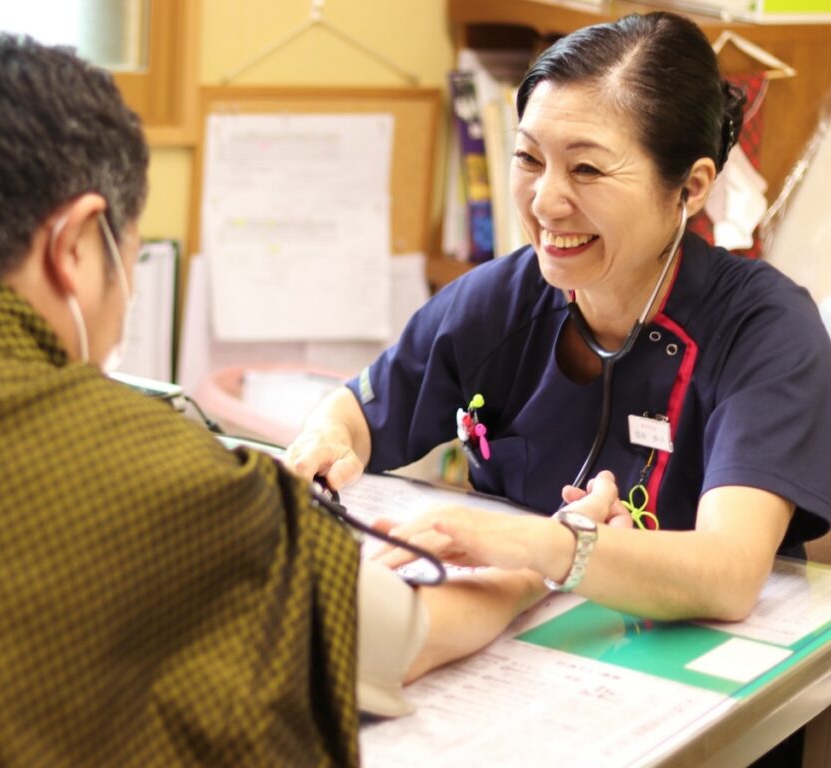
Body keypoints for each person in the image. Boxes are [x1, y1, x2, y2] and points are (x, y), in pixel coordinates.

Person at [0, 33, 589, 768]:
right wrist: (535, 564)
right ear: (78, 243)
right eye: (130, 249)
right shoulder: (163, 475)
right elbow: (396, 634)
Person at [289, 12, 831, 627]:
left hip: (705, 678)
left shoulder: (766, 330)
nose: (545, 201)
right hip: (516, 646)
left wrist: (541, 545)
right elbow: (357, 411)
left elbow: (728, 576)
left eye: (587, 169)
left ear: (691, 187)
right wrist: (326, 441)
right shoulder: (500, 301)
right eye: (528, 158)